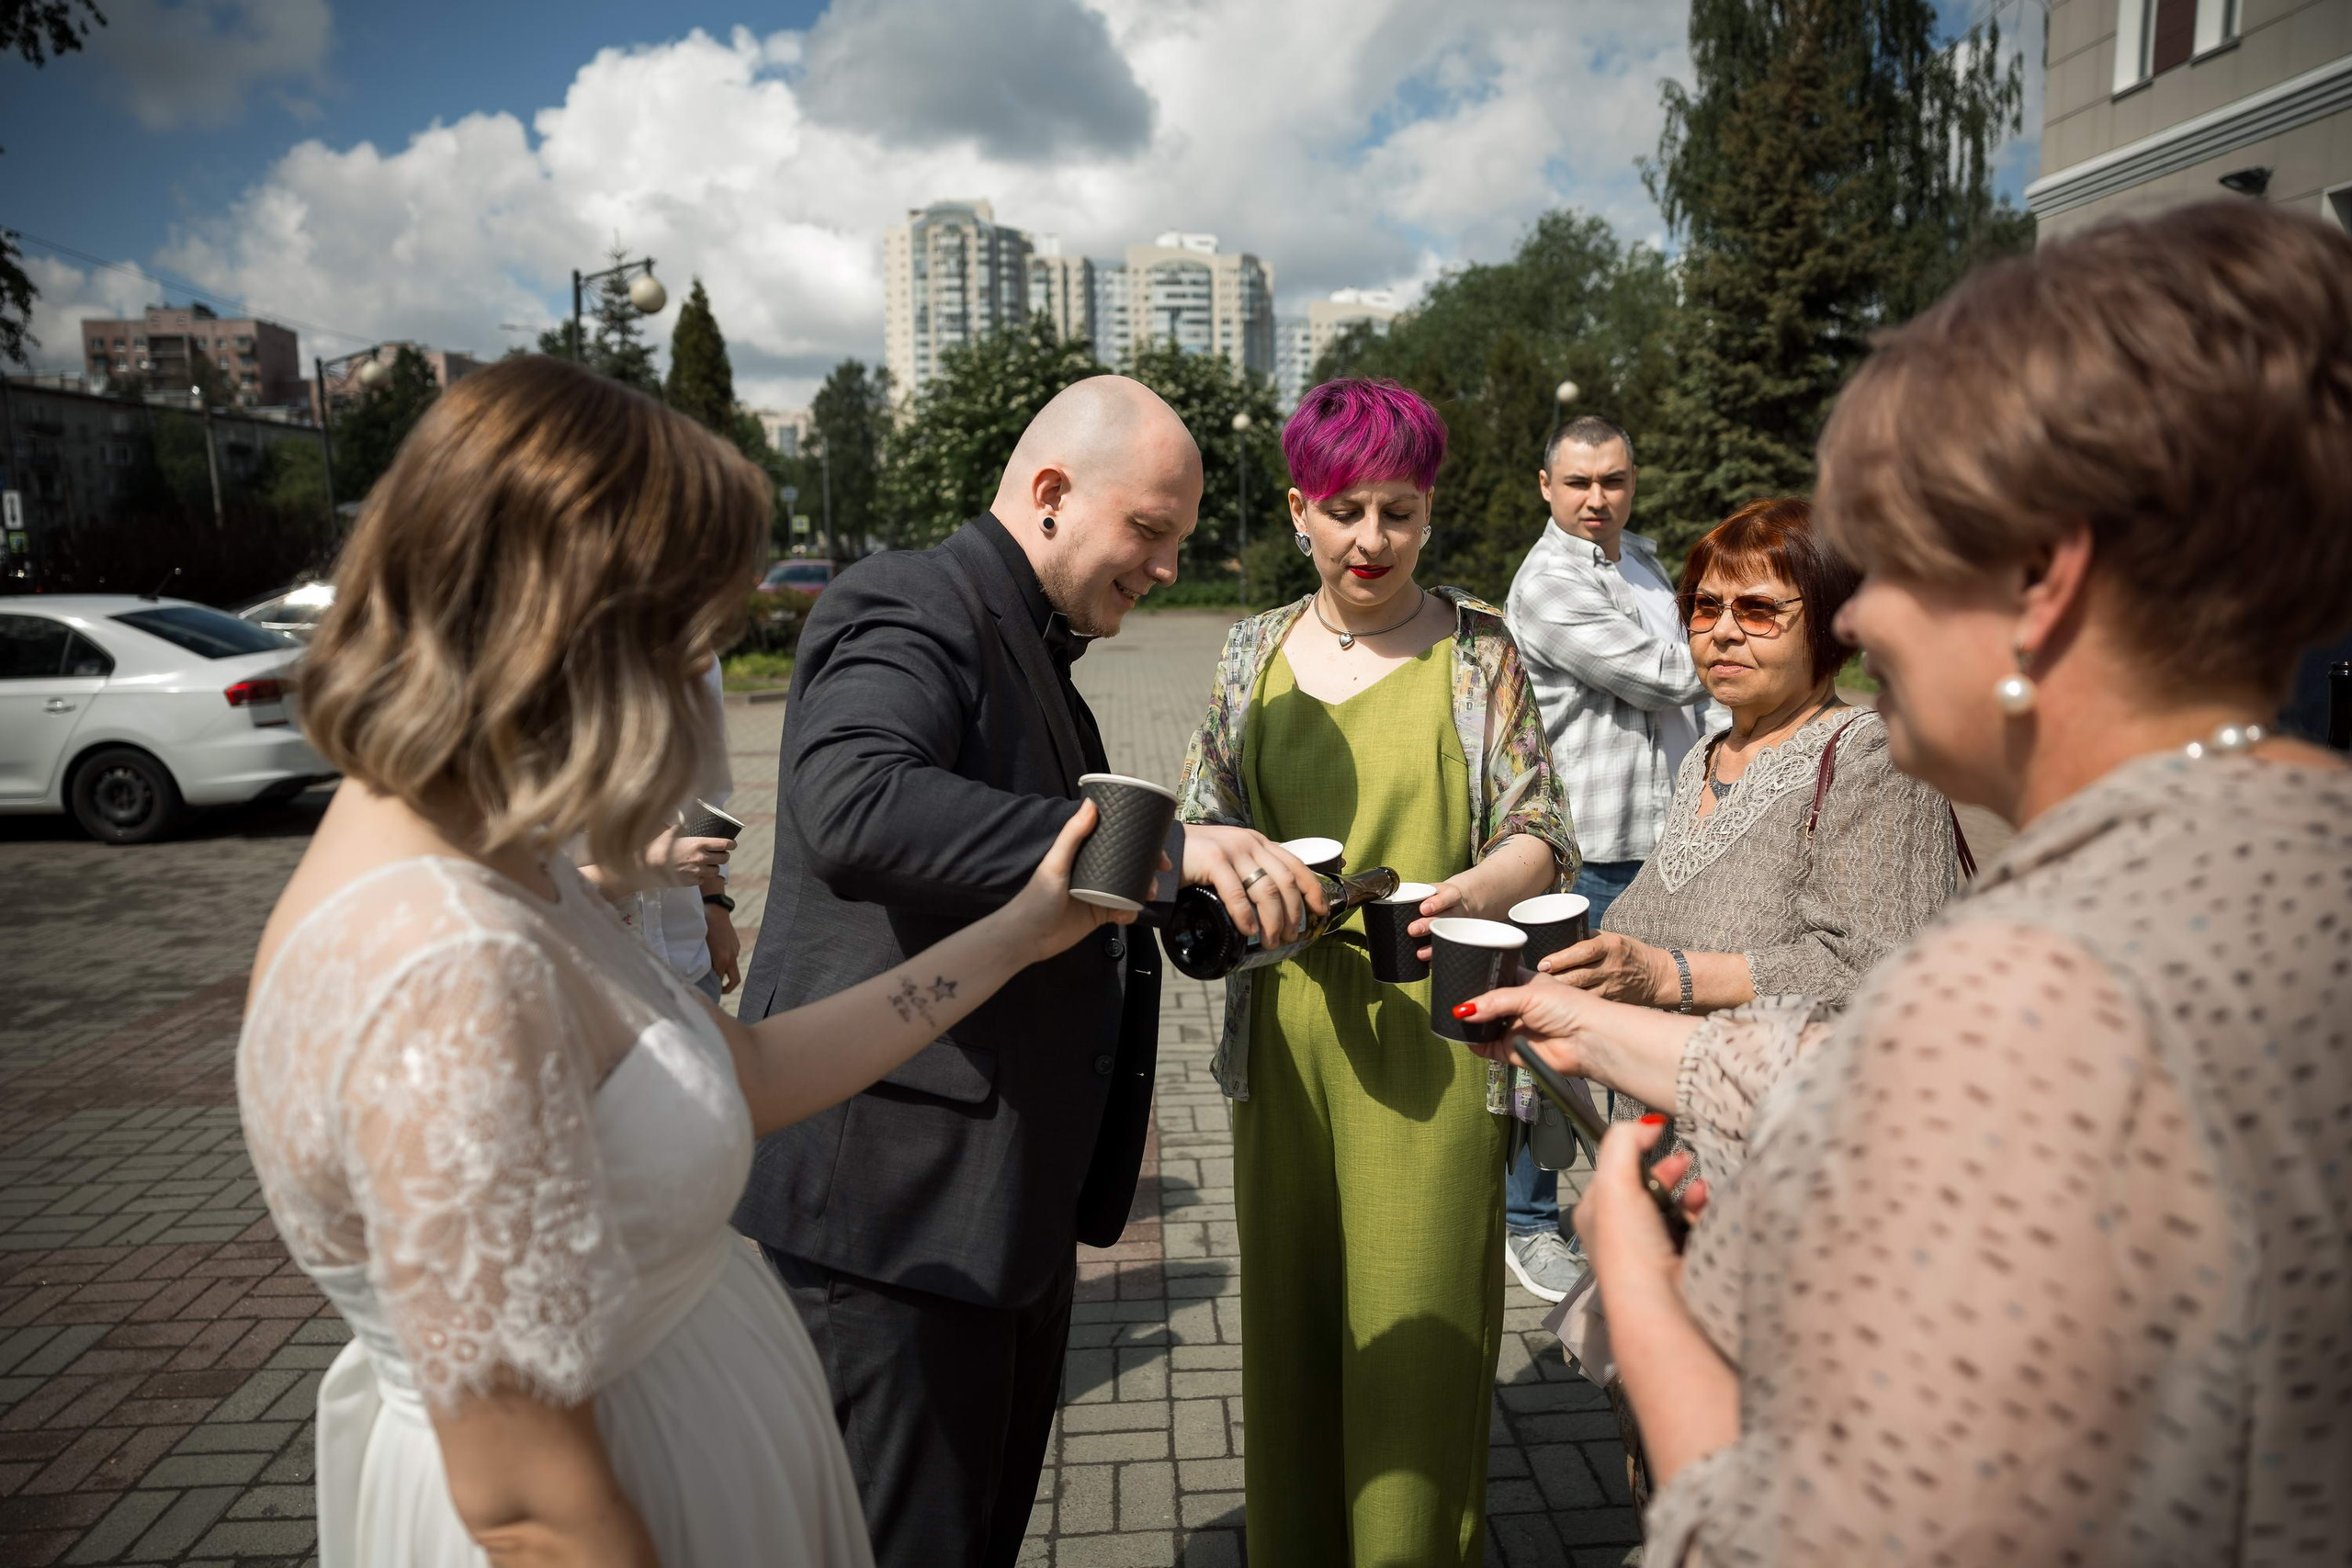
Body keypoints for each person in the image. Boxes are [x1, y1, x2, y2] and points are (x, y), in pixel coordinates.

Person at [1452, 201, 2352, 1563]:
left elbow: (1790, 1534)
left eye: (1896, 556)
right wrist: (1608, 1025)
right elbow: (1862, 1066)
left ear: (2042, 582)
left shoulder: (2034, 980)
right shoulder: (2291, 845)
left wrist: (1633, 1277)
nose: (1856, 616)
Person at [236, 355, 1136, 1568]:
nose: (703, 707)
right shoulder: (434, 964)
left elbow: (751, 1065)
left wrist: (1023, 928)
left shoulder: (509, 861)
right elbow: (527, 1504)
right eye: (683, 645)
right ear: (553, 624)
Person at [731, 376, 1325, 1568]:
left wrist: (1196, 904)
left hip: (1003, 1208)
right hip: (893, 1223)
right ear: (1050, 495)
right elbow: (857, 804)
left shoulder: (1036, 651)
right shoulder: (912, 599)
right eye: (1149, 532)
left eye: (1180, 541)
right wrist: (1164, 843)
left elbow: (1048, 879)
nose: (1164, 568)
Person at [1176, 378, 1576, 1567]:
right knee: (1295, 1326)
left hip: (1441, 1037)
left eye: (1398, 511)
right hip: (1288, 1042)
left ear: (1429, 512)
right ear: (1301, 509)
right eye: (1346, 509)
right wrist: (1231, 883)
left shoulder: (1481, 652)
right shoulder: (1249, 654)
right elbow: (1205, 820)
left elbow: (1540, 829)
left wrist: (1474, 891)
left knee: (1421, 1333)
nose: (1371, 540)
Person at [1542, 495, 1959, 1021]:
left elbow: (1879, 970)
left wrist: (1664, 975)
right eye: (1706, 606)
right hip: (1661, 1093)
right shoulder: (1708, 755)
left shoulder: (1876, 759)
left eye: (1758, 611)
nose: (1723, 631)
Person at [1500, 413, 1713, 1300]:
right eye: (1579, 482)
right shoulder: (1548, 582)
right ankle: (1528, 1222)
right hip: (1584, 852)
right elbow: (1666, 674)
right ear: (1547, 486)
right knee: (1554, 1042)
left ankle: (1658, 1207)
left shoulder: (1646, 559)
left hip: (1663, 840)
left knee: (1653, 1038)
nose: (1598, 498)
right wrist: (1756, 637)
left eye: (1614, 480)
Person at [579, 662, 744, 999]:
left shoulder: (696, 657)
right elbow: (516, 893)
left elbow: (708, 794)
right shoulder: (523, 687)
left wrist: (715, 904)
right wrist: (646, 868)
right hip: (596, 986)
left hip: (689, 962)